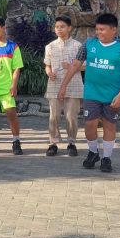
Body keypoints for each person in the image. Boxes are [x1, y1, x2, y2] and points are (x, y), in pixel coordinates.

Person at [58, 13, 120, 173]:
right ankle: (93, 152)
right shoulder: (89, 44)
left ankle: (106, 158)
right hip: (91, 93)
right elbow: (75, 64)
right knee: (89, 124)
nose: (98, 32)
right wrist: (63, 85)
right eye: (97, 29)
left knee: (109, 125)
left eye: (102, 29)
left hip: (112, 96)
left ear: (113, 30)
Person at [43, 15, 83, 157]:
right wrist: (49, 73)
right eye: (57, 27)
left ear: (69, 28)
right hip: (54, 84)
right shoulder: (50, 46)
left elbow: (85, 66)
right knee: (53, 116)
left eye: (62, 27)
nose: (59, 29)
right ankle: (52, 143)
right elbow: (47, 65)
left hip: (73, 85)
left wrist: (72, 66)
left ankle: (71, 143)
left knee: (71, 116)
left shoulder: (78, 46)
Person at [0, 18, 24, 155]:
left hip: (7, 88)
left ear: (3, 28)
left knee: (11, 113)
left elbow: (16, 68)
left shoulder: (13, 47)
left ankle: (16, 141)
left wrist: (14, 85)